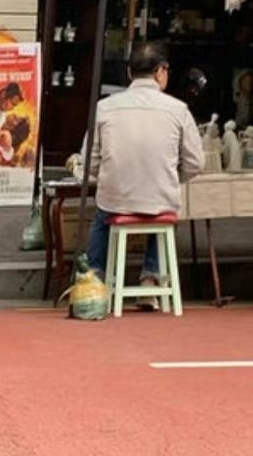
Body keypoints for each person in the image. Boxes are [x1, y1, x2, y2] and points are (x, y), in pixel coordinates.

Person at [86, 41, 205, 306]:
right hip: (160, 197)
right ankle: (150, 280)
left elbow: (88, 162)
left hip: (115, 198)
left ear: (130, 73)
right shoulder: (178, 109)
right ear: (161, 71)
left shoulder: (105, 107)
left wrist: (107, 174)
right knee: (163, 211)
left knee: (102, 217)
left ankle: (94, 280)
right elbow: (196, 162)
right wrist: (171, 176)